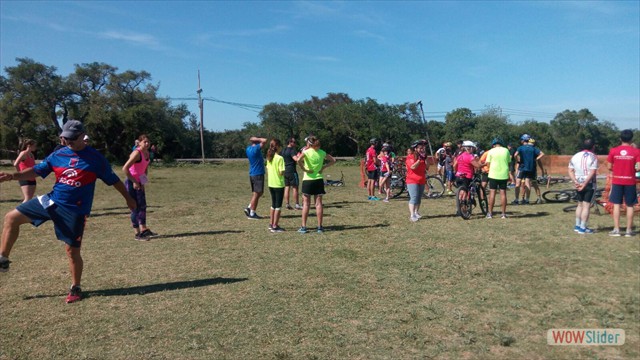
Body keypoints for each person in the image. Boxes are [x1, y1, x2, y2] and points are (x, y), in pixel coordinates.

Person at [0, 120, 136, 303]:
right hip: (51, 201)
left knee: (72, 251)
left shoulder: (95, 158)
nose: (68, 141)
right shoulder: (58, 154)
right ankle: (3, 259)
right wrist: (12, 176)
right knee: (11, 218)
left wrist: (128, 199)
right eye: (65, 138)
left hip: (74, 211)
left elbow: (114, 181)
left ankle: (76, 287)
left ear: (82, 136)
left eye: (72, 138)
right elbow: (37, 171)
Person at [296, 136, 336, 233]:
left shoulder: (306, 152)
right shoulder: (322, 152)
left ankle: (304, 227)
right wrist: (323, 167)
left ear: (309, 144)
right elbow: (333, 160)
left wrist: (305, 169)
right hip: (318, 179)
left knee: (306, 204)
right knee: (318, 204)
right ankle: (319, 227)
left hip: (308, 180)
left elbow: (298, 161)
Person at [123, 134, 157, 241]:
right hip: (131, 182)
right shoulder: (136, 153)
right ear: (140, 142)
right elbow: (125, 168)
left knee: (142, 206)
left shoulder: (147, 153)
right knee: (134, 207)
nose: (147, 144)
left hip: (139, 183)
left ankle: (144, 229)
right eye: (144, 142)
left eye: (148, 142)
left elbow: (144, 168)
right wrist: (134, 181)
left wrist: (142, 182)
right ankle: (137, 234)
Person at [607, 129, 640, 237]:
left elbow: (609, 166)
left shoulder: (613, 151)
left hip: (617, 180)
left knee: (616, 204)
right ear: (631, 140)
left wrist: (617, 170)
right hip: (630, 181)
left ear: (620, 139)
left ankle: (616, 229)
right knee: (630, 205)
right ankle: (628, 231)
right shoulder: (636, 152)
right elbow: (638, 167)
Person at [568, 139, 599, 234]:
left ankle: (577, 225)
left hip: (578, 182)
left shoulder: (575, 155)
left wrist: (575, 181)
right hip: (589, 183)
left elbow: (570, 170)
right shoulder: (593, 156)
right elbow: (592, 172)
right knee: (586, 206)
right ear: (593, 147)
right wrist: (585, 184)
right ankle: (583, 227)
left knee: (579, 204)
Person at [513, 134, 544, 204]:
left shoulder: (521, 148)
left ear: (523, 140)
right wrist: (535, 159)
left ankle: (516, 199)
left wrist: (517, 160)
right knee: (528, 183)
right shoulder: (533, 148)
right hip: (530, 168)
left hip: (522, 167)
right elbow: (542, 153)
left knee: (518, 183)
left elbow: (515, 155)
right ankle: (527, 200)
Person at [485, 137, 511, 219]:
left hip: (493, 174)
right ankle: (503, 214)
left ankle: (490, 213)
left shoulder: (491, 151)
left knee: (492, 193)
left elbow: (488, 163)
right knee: (503, 193)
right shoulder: (506, 150)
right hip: (503, 174)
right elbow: (508, 162)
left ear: (493, 144)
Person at [454, 141, 481, 214]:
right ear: (470, 148)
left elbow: (454, 165)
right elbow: (477, 165)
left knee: (460, 192)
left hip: (458, 175)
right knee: (465, 192)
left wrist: (456, 171)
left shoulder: (459, 156)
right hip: (466, 176)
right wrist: (483, 164)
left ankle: (458, 209)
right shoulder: (470, 156)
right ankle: (463, 209)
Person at [406, 140, 429, 222]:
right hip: (412, 180)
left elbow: (427, 167)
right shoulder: (410, 156)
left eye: (423, 148)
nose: (422, 149)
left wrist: (425, 159)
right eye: (420, 148)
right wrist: (419, 160)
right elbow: (412, 167)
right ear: (415, 148)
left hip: (421, 180)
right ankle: (412, 215)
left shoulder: (422, 156)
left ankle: (416, 212)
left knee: (419, 198)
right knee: (414, 197)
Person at [244, 136, 267, 219]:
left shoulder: (248, 149)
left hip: (252, 173)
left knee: (258, 193)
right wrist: (258, 139)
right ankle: (252, 213)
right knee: (257, 193)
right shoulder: (256, 149)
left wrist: (254, 139)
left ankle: (249, 207)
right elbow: (264, 140)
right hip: (258, 173)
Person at [266, 139, 286, 232]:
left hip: (271, 184)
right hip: (278, 184)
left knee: (273, 205)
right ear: (277, 146)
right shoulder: (280, 158)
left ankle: (271, 223)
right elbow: (281, 172)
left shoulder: (269, 156)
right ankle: (275, 226)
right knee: (278, 206)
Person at [281, 137, 302, 210]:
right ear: (290, 142)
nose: (295, 144)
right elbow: (296, 159)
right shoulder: (292, 150)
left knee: (287, 187)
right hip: (292, 171)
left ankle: (287, 204)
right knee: (295, 187)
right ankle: (297, 204)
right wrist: (300, 156)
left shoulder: (283, 150)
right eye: (294, 142)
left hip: (285, 171)